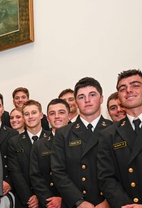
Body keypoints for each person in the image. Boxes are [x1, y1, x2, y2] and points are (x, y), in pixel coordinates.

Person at [51, 77, 112, 208]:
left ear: (101, 98)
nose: (87, 100)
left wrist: (109, 201)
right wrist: (79, 202)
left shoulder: (114, 129)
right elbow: (58, 172)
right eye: (81, 97)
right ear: (76, 103)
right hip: (76, 203)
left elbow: (122, 170)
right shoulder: (63, 133)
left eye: (92, 95)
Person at [98, 69, 142, 207]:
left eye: (135, 85)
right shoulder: (108, 135)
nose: (128, 90)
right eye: (122, 88)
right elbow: (106, 178)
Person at [8, 100, 51, 207]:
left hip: (51, 198)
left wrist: (42, 196)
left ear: (41, 115)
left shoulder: (52, 138)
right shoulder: (14, 142)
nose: (30, 117)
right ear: (23, 117)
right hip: (26, 200)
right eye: (26, 114)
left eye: (34, 113)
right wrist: (30, 197)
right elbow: (16, 173)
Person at [30, 99, 70, 208]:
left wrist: (66, 199)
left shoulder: (78, 141)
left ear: (69, 116)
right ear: (47, 118)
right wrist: (49, 201)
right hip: (49, 203)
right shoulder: (39, 145)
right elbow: (36, 177)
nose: (57, 116)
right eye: (52, 113)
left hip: (75, 202)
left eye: (61, 112)